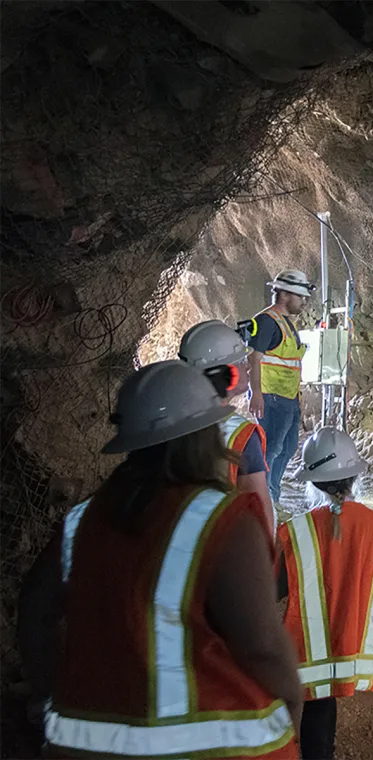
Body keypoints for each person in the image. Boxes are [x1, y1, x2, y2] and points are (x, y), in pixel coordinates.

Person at [18, 360, 302, 758]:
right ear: (204, 436)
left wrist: (61, 693)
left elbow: (34, 615)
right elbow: (262, 646)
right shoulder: (223, 521)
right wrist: (293, 709)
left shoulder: (81, 521)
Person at [277, 427, 373, 759]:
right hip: (345, 649)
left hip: (301, 655)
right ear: (354, 478)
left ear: (312, 482)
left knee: (299, 724)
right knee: (322, 719)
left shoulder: (296, 533)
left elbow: (275, 589)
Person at [180, 319, 275, 533]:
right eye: (241, 360)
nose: (248, 365)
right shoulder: (241, 435)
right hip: (220, 549)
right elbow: (261, 518)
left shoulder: (168, 422)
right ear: (227, 375)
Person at [249, 269, 315, 510]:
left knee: (286, 449)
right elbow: (254, 359)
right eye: (301, 297)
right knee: (270, 451)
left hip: (287, 398)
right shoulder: (266, 321)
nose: (304, 302)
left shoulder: (287, 324)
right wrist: (256, 392)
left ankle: (272, 498)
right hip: (270, 397)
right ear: (285, 295)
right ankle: (262, 501)